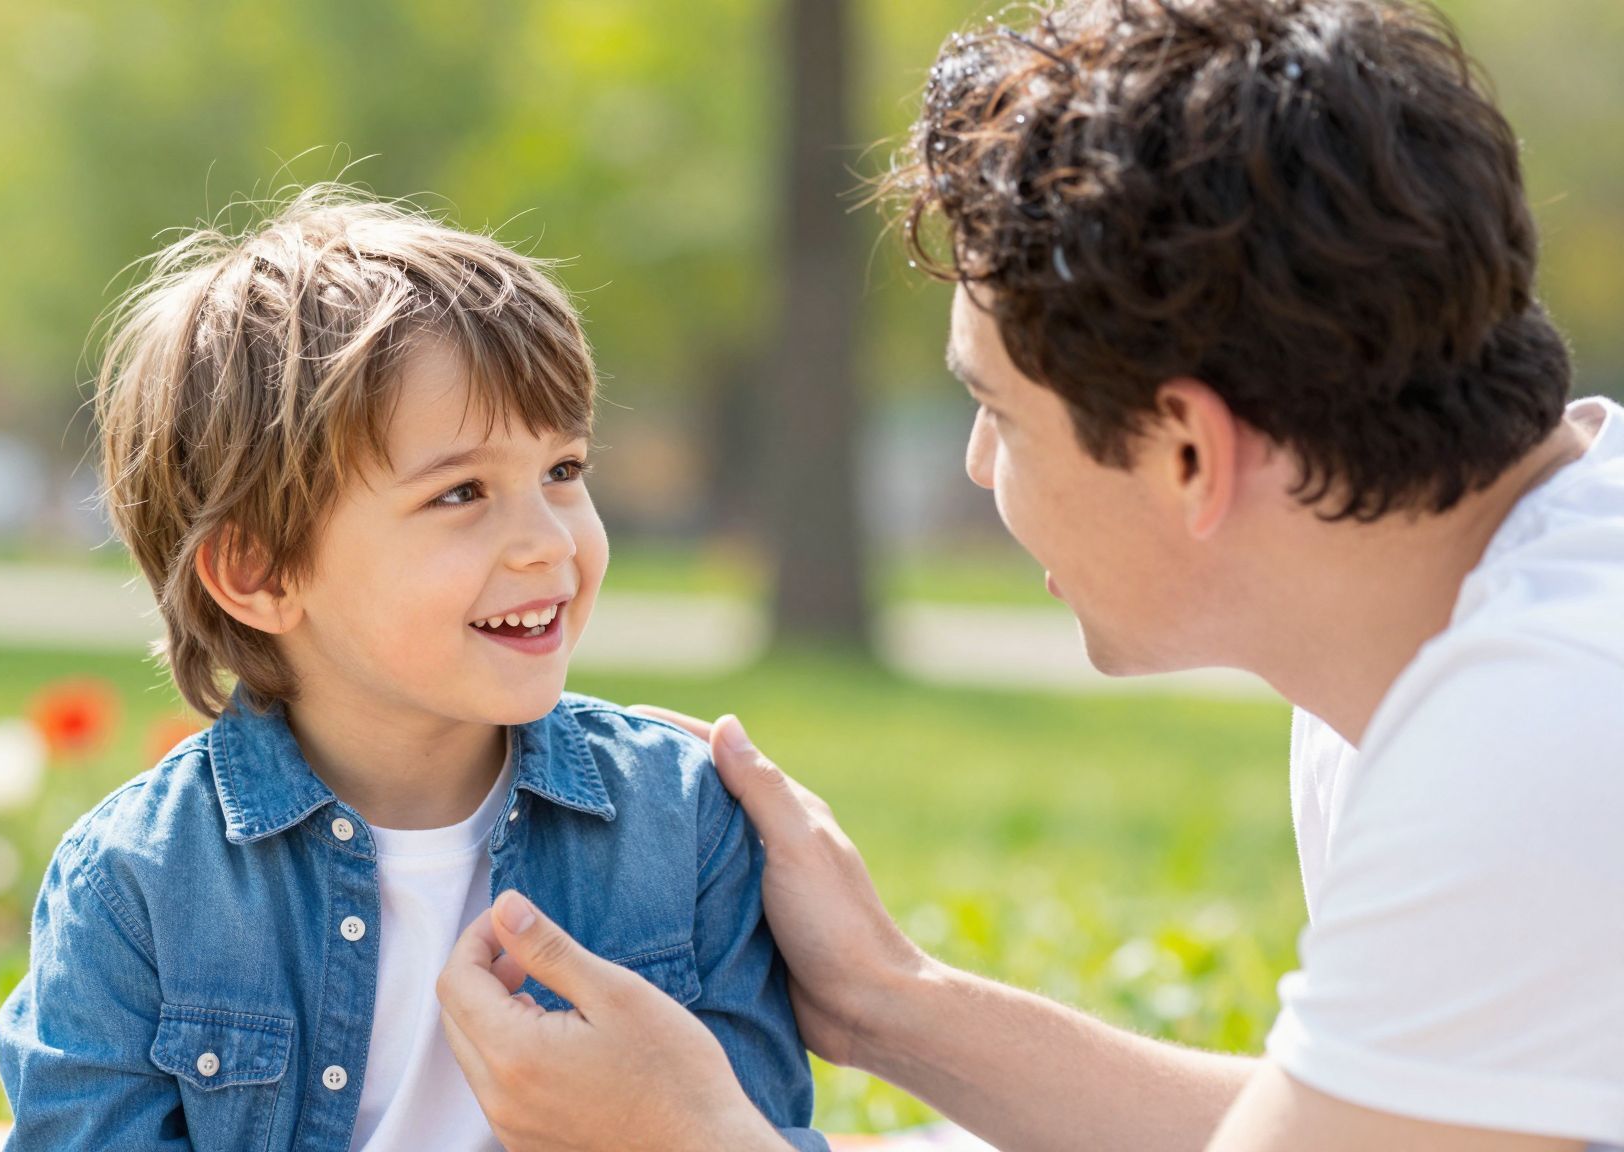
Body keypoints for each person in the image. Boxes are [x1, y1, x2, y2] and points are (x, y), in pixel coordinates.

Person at [436, 2, 1624, 1150]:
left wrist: (690, 1142)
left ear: (1187, 453)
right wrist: (883, 1000)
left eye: (996, 410)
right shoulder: (1446, 629)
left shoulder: (1534, 739)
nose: (975, 462)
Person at [0, 189, 825, 1151]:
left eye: (562, 470)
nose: (548, 544)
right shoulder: (137, 885)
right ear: (258, 571)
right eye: (462, 492)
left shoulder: (682, 828)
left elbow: (764, 1133)